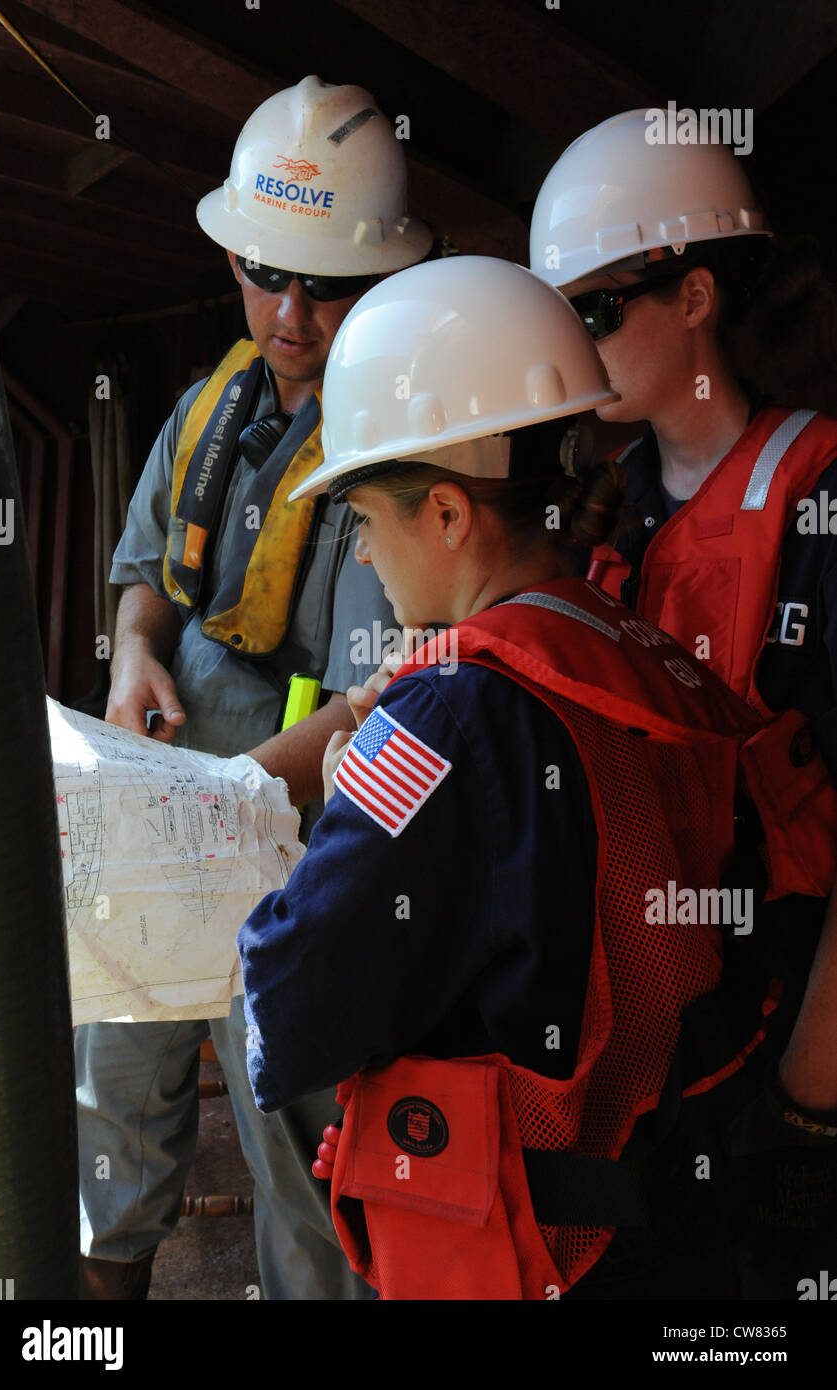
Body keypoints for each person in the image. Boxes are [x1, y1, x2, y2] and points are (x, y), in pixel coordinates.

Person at [237, 255, 769, 1300]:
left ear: (445, 515)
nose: (359, 557)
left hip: (537, 1250)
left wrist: (337, 814)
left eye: (359, 516)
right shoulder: (630, 644)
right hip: (676, 1229)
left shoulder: (444, 714)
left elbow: (296, 1002)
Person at [75, 75, 433, 1301]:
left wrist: (220, 798)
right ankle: (101, 1311)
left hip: (291, 843)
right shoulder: (203, 412)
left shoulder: (397, 445)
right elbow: (141, 578)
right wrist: (133, 657)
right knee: (113, 1076)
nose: (289, 314)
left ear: (378, 281)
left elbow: (375, 697)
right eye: (265, 273)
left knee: (294, 1131)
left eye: (324, 286)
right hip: (164, 809)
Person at [529, 108, 837, 1295]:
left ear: (696, 296)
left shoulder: (816, 507)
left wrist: (810, 1108)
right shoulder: (607, 509)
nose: (577, 345)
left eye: (598, 312)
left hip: (776, 1046)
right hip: (649, 1043)